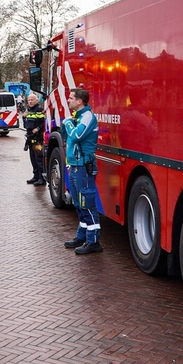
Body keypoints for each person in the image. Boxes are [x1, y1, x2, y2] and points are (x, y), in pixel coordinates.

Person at [61, 88, 102, 254]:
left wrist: (68, 123)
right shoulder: (77, 117)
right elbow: (68, 138)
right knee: (78, 204)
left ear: (80, 101)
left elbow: (77, 136)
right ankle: (82, 235)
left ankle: (94, 242)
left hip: (84, 168)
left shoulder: (87, 117)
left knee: (87, 203)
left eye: (71, 98)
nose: (68, 100)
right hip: (76, 166)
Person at [23, 94, 46, 186]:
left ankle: (41, 178)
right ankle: (35, 176)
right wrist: (24, 117)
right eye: (29, 100)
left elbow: (44, 122)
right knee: (33, 159)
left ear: (37, 100)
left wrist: (38, 129)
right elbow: (26, 125)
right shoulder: (28, 110)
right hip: (30, 139)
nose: (30, 101)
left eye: (32, 100)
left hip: (37, 139)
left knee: (39, 159)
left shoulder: (39, 110)